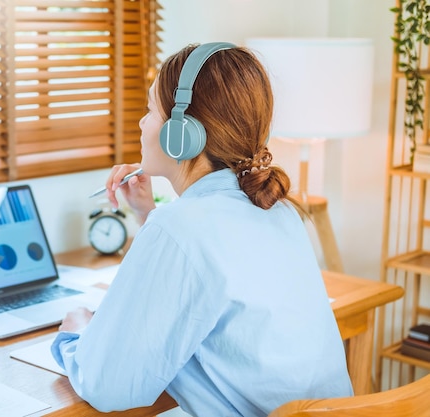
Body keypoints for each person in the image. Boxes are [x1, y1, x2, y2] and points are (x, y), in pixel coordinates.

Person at [50, 42, 353, 417]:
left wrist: (74, 335)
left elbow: (110, 387)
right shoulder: (276, 210)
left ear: (181, 133)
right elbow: (206, 273)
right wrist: (148, 215)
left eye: (150, 110)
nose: (142, 123)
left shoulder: (182, 229)